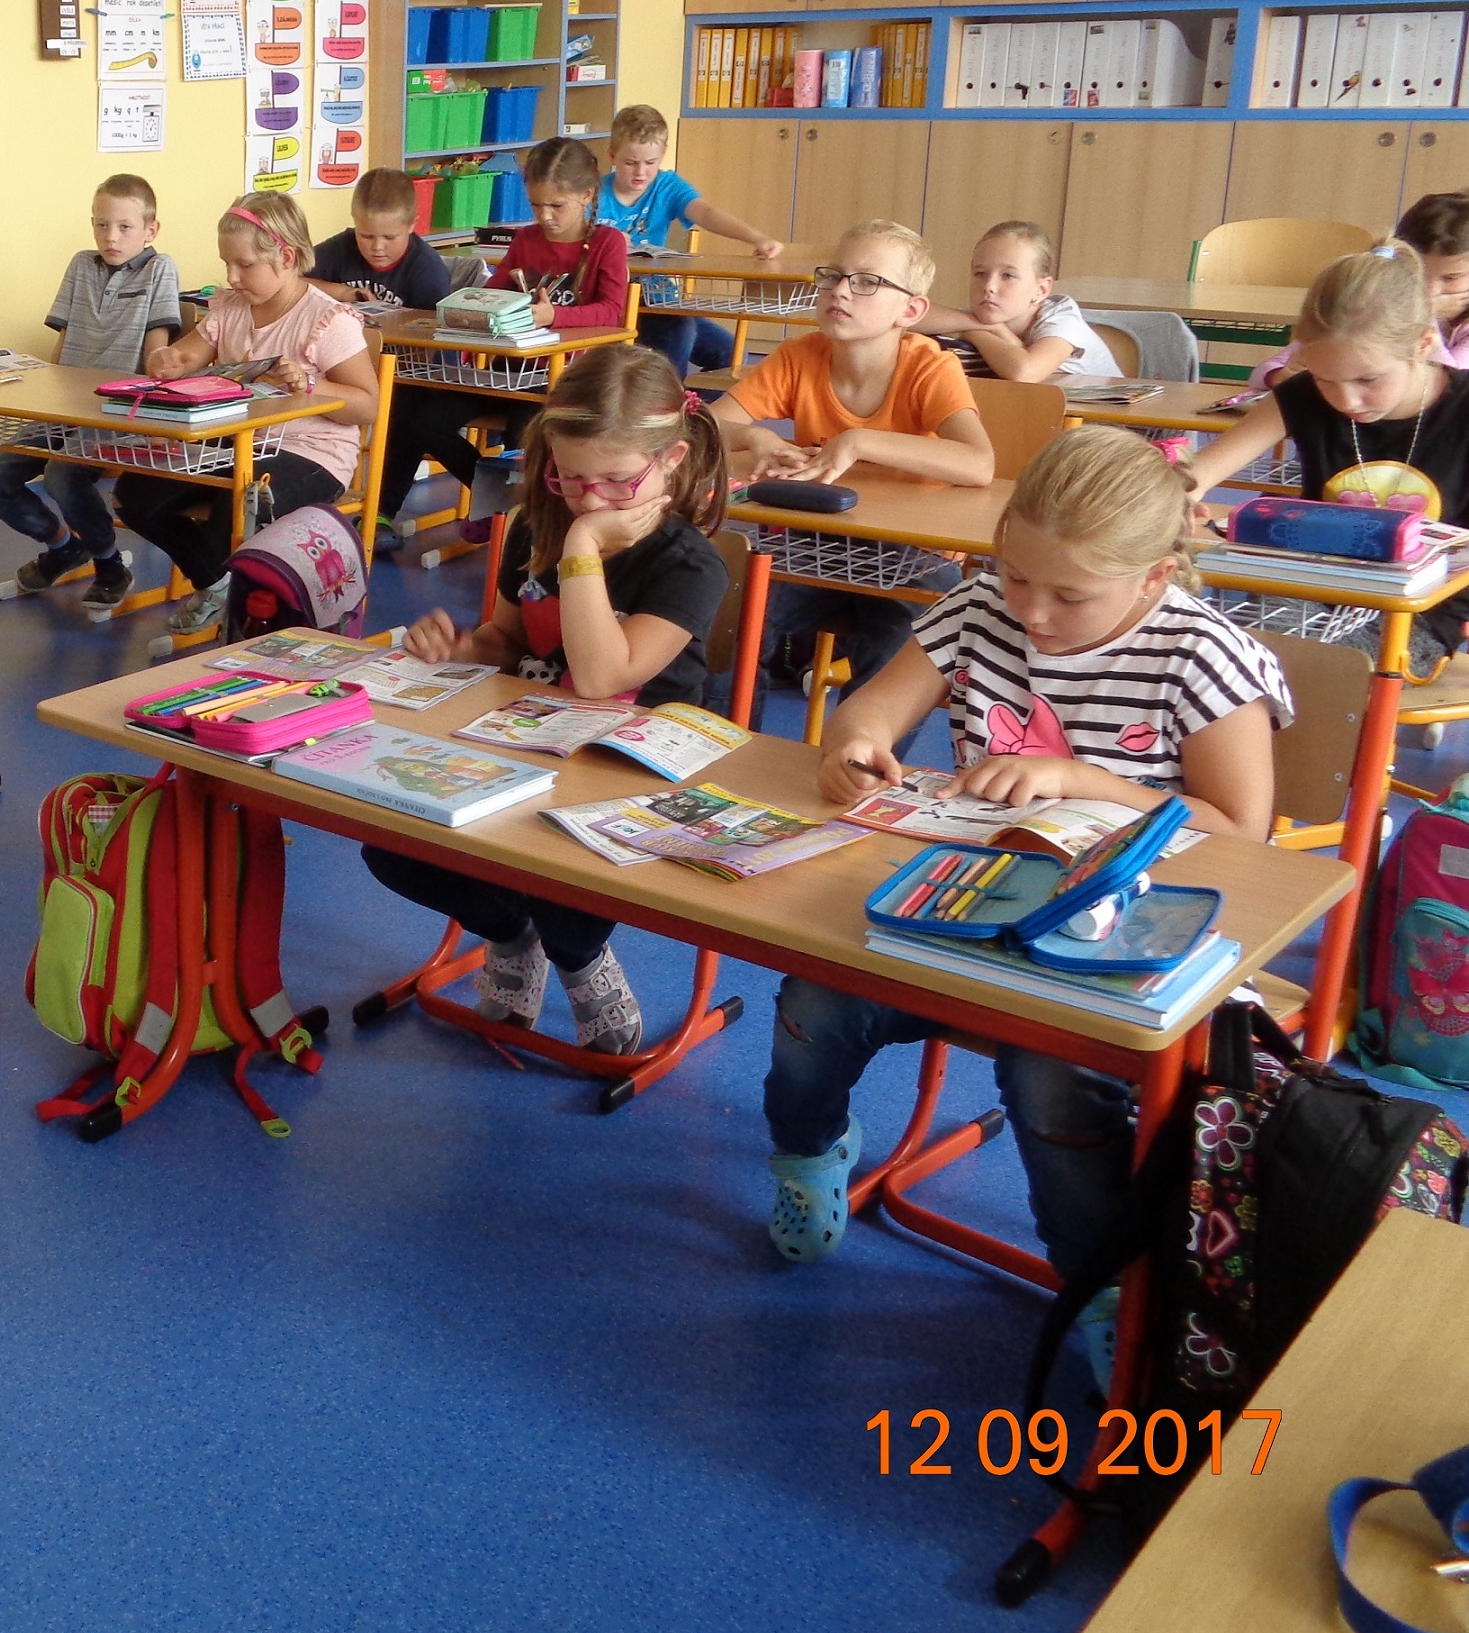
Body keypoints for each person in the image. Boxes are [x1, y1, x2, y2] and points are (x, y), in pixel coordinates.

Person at [777, 427, 1292, 1377]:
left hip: (1124, 942)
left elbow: (1239, 836)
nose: (1032, 612)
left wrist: (1079, 778)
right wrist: (851, 746)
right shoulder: (979, 609)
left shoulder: (1200, 655)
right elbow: (871, 709)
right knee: (816, 994)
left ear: (1154, 575)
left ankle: (1097, 1289)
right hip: (963, 910)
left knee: (1052, 1075)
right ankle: (810, 1155)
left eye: (1068, 595)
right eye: (1015, 576)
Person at [362, 346, 730, 1051]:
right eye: (570, 477)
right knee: (392, 845)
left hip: (628, 771)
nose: (589, 500)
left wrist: (584, 544)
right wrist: (460, 649)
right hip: (524, 744)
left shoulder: (687, 564)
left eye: (616, 482)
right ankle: (511, 934)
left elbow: (601, 678)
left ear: (672, 460)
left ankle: (579, 958)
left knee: (565, 886)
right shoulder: (536, 526)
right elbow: (506, 638)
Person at [711, 220, 997, 706]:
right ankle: (729, 744)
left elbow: (978, 463)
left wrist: (859, 441)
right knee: (732, 612)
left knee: (901, 657)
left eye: (867, 282)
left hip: (914, 555)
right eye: (833, 276)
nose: (841, 291)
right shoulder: (799, 355)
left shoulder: (929, 366)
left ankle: (859, 750)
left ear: (910, 310)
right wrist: (754, 436)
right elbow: (705, 426)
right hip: (816, 539)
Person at [1188, 241, 1469, 675]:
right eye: (1324, 379)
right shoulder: (1302, 397)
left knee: (1310, 671)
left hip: (1417, 615)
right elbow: (1195, 476)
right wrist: (1177, 498)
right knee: (1220, 655)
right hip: (1306, 594)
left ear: (1423, 344)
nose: (1346, 399)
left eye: (1367, 379)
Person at [117, 193, 377, 636]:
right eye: (227, 264)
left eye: (244, 265)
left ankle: (236, 603)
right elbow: (186, 355)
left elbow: (367, 405)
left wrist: (309, 383)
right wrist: (167, 359)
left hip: (313, 453)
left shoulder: (327, 319)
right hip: (237, 444)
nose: (232, 277)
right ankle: (219, 583)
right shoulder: (231, 308)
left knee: (239, 502)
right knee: (133, 493)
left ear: (286, 258)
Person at [376, 137, 631, 547]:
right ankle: (494, 500)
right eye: (536, 205)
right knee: (420, 414)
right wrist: (468, 307)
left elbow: (613, 312)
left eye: (557, 206)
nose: (545, 216)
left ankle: (513, 519)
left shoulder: (607, 243)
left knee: (523, 435)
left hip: (563, 382)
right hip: (507, 371)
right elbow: (494, 289)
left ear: (587, 195)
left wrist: (554, 316)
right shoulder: (526, 239)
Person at [0, 174, 181, 609]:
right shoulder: (81, 265)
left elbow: (157, 349)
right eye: (101, 224)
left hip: (121, 411)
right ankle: (63, 548)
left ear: (151, 230)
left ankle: (110, 565)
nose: (111, 237)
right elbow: (64, 340)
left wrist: (164, 369)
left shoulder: (160, 269)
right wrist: (42, 391)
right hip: (66, 406)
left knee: (62, 474)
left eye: (125, 227)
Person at [596, 104, 785, 378]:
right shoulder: (594, 193)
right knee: (681, 329)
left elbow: (706, 213)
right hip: (616, 304)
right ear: (612, 155)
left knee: (732, 355)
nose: (640, 172)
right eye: (630, 163)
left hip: (660, 300)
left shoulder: (666, 186)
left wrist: (757, 238)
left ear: (663, 155)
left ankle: (687, 402)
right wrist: (604, 240)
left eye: (650, 163)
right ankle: (668, 399)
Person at [1246, 190, 1469, 391]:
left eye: (1451, 278)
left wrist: (1425, 312)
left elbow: (1454, 390)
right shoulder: (1371, 305)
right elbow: (1264, 372)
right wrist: (1281, 377)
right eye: (1418, 274)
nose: (1430, 289)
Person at [911, 220, 1122, 381]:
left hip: (1110, 424)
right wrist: (983, 326)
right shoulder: (985, 315)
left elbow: (1024, 373)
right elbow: (906, 315)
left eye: (1008, 276)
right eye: (980, 273)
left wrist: (974, 332)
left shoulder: (1062, 320)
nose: (989, 286)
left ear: (1041, 290)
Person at [307, 166, 455, 310]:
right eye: (366, 236)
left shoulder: (428, 270)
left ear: (411, 225)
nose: (377, 247)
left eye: (389, 237)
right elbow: (295, 280)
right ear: (355, 221)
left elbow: (433, 323)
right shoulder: (341, 247)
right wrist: (342, 292)